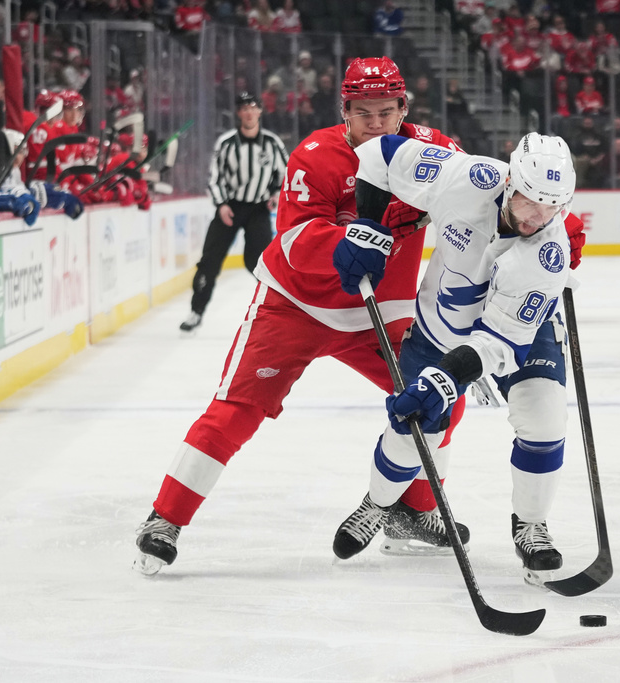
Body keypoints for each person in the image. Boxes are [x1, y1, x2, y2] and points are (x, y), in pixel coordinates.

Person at [134, 58, 493, 575]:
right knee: (238, 409)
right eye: (362, 113)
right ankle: (164, 519)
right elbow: (296, 241)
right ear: (344, 110)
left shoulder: (436, 153)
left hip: (379, 316)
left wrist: (545, 220)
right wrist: (346, 240)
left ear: (403, 110)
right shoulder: (316, 156)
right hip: (295, 306)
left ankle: (411, 511)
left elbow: (490, 197)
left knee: (441, 399)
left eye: (386, 112)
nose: (375, 123)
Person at [332, 132, 584, 583]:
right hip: (438, 330)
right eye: (530, 201)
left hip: (516, 336)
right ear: (510, 182)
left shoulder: (548, 255)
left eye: (553, 207)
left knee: (545, 418)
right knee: (415, 432)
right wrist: (367, 226)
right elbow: (377, 155)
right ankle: (378, 503)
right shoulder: (465, 177)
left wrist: (444, 380)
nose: (538, 217)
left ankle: (530, 524)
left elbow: (500, 344)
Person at [180, 92, 288, 332]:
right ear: (239, 113)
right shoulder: (226, 143)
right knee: (209, 261)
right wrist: (221, 205)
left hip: (258, 210)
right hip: (230, 208)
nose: (249, 112)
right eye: (244, 108)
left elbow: (287, 173)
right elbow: (214, 178)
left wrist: (275, 195)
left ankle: (277, 312)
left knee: (260, 263)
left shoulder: (272, 142)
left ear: (260, 111)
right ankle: (196, 311)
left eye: (253, 107)